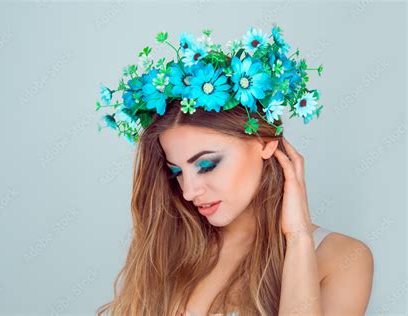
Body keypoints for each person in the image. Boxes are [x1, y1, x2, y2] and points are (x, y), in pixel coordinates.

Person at [95, 25, 374, 316]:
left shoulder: (343, 259)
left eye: (207, 165)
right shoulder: (173, 245)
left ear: (265, 142)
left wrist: (298, 237)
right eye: (176, 171)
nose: (189, 192)